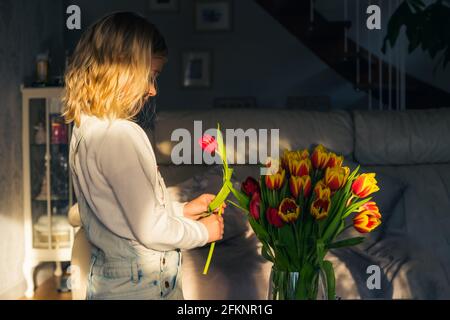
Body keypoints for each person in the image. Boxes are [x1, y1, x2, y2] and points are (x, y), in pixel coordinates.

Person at [63, 11, 224, 300]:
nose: (152, 90)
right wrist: (203, 232)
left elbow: (121, 214)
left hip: (112, 283)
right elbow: (150, 230)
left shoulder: (84, 130)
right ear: (121, 68)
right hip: (143, 287)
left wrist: (182, 211)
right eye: (150, 76)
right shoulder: (121, 135)